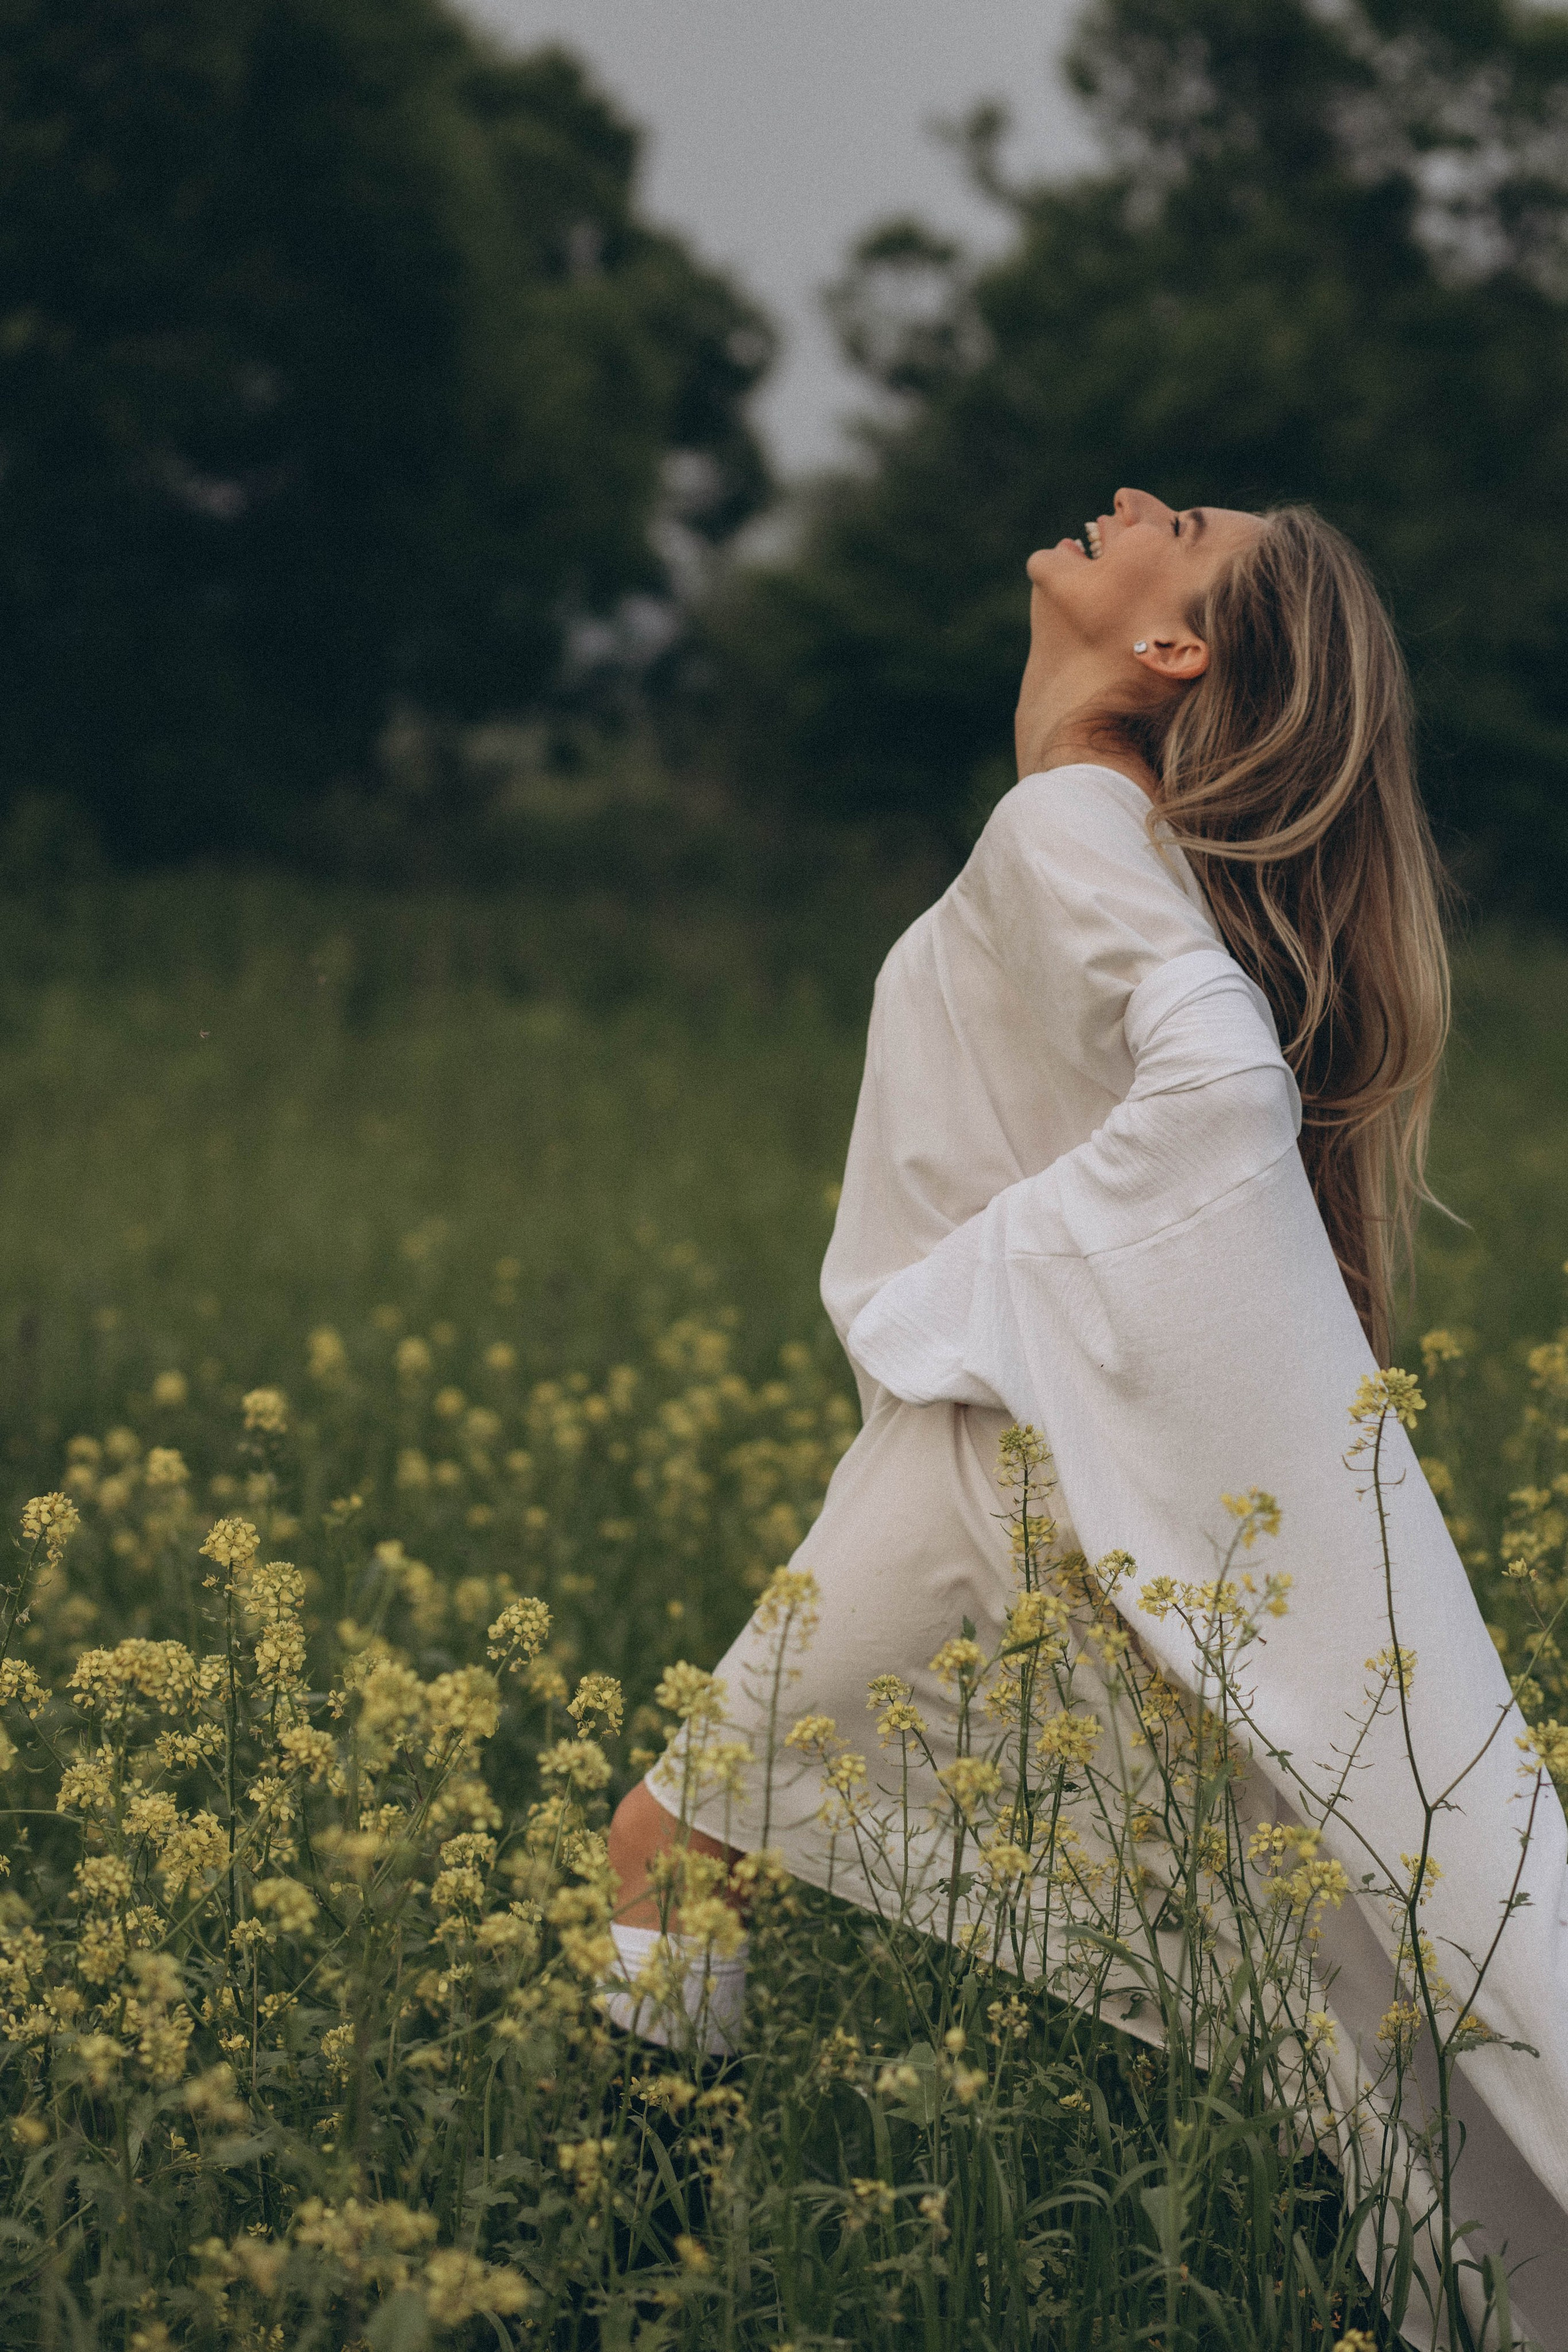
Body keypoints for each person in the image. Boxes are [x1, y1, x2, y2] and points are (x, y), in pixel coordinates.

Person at [603, 488, 1568, 2339]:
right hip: (1052, 1459)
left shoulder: (1069, 819)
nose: (1127, 501)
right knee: (1299, 1988)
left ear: (1173, 648)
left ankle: (620, 2300)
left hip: (1007, 1460)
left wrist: (985, 1296)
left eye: (1177, 521)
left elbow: (1215, 1097)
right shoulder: (1110, 830)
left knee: (673, 1853)